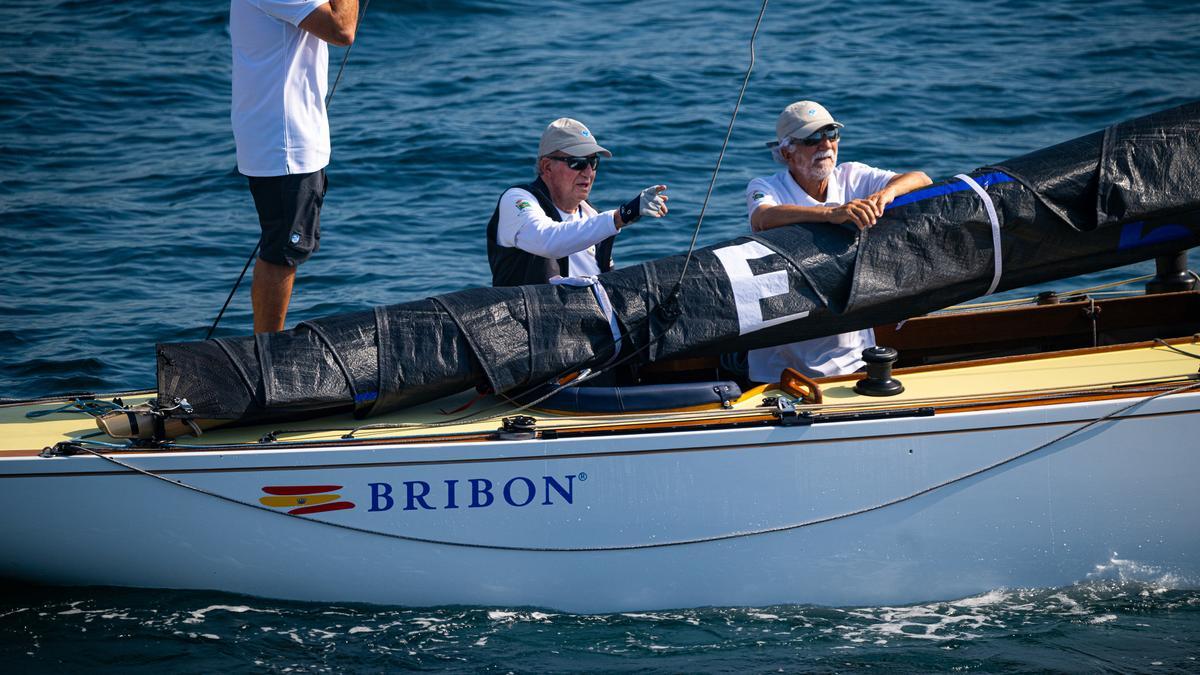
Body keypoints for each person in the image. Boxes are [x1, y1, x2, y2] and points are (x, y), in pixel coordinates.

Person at [744, 100, 931, 382]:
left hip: (853, 357)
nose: (826, 144)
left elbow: (921, 179)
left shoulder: (852, 175)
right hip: (781, 367)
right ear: (786, 152)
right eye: (812, 139)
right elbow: (763, 217)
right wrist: (832, 214)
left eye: (831, 134)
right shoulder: (765, 187)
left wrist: (884, 195)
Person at [230, 0, 359, 334]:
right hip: (285, 142)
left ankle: (265, 346)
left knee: (282, 248)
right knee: (282, 253)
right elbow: (342, 29)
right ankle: (267, 352)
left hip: (280, 139)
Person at [487, 118, 669, 287]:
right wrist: (621, 216)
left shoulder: (593, 217)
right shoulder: (516, 199)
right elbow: (547, 241)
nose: (588, 172)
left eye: (593, 162)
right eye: (578, 162)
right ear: (547, 166)